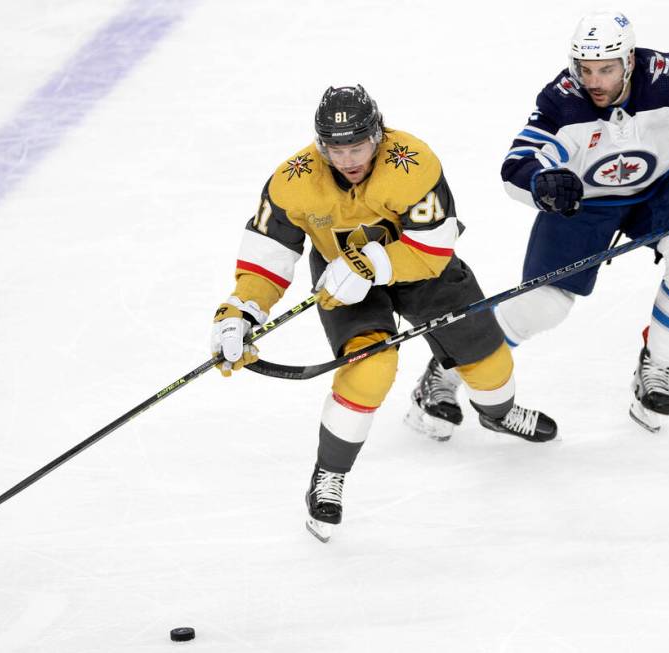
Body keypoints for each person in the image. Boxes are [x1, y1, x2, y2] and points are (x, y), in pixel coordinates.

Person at [210, 85, 556, 543]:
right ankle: (328, 475)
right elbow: (267, 256)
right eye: (336, 149)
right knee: (370, 366)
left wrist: (372, 264)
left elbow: (434, 248)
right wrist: (240, 311)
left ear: (378, 135)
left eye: (357, 146)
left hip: (419, 267)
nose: (348, 159)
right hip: (342, 275)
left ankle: (497, 414)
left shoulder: (413, 161)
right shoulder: (293, 181)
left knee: (491, 365)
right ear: (321, 146)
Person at [408, 11, 669, 434]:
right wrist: (545, 182)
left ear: (630, 60)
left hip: (662, 187)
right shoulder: (562, 99)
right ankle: (443, 373)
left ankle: (657, 368)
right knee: (542, 306)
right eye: (586, 69)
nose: (594, 81)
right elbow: (517, 165)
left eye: (606, 69)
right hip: (587, 202)